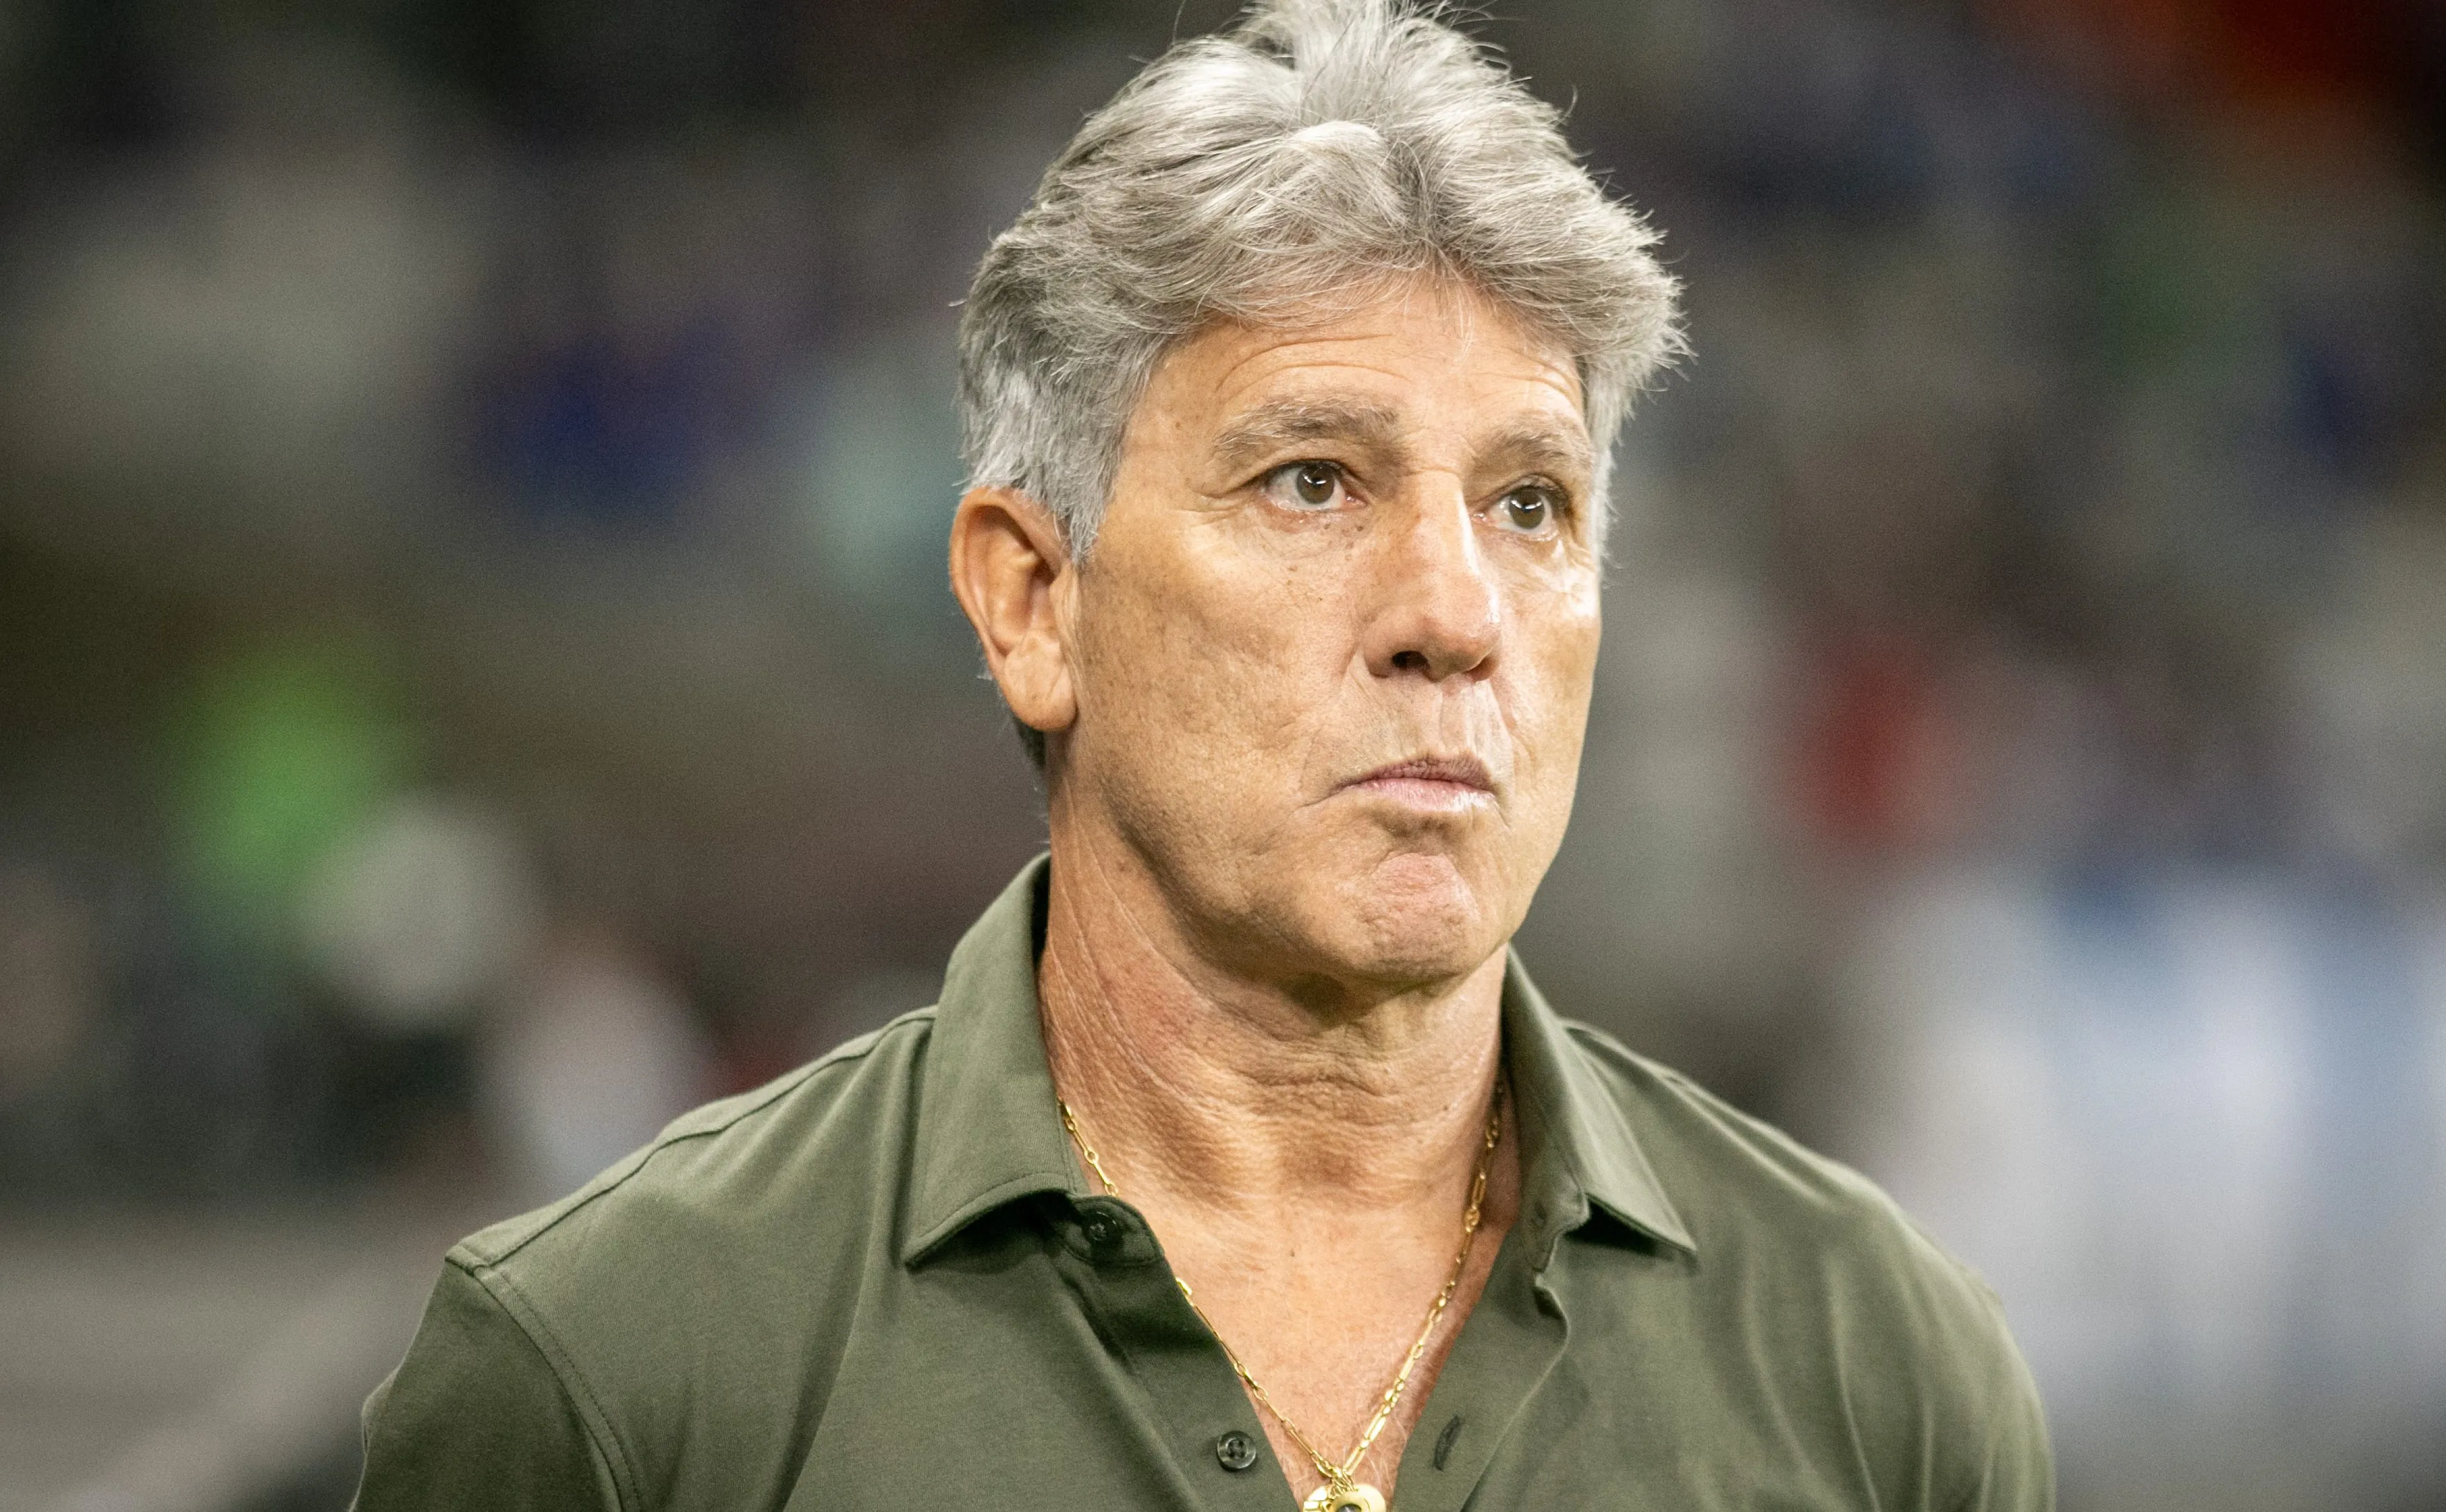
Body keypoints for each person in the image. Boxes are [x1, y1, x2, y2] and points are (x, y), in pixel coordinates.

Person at [351, 2, 2052, 1507]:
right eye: (1311, 477)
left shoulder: (1881, 1374)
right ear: (1031, 601)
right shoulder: (618, 1377)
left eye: (1529, 502)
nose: (1452, 614)